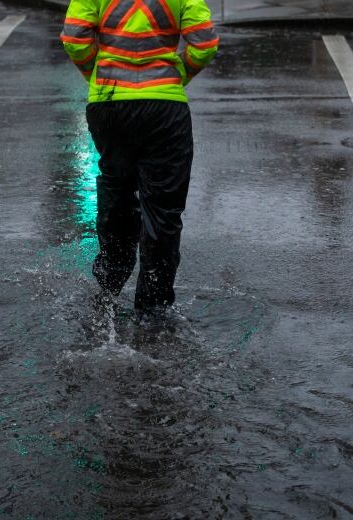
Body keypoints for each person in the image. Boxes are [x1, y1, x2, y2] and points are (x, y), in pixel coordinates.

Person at [60, 0, 218, 311]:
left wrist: (98, 75)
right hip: (165, 108)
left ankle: (110, 283)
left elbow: (75, 39)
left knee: (117, 189)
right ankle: (153, 306)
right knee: (163, 209)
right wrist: (176, 76)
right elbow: (205, 44)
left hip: (109, 103)